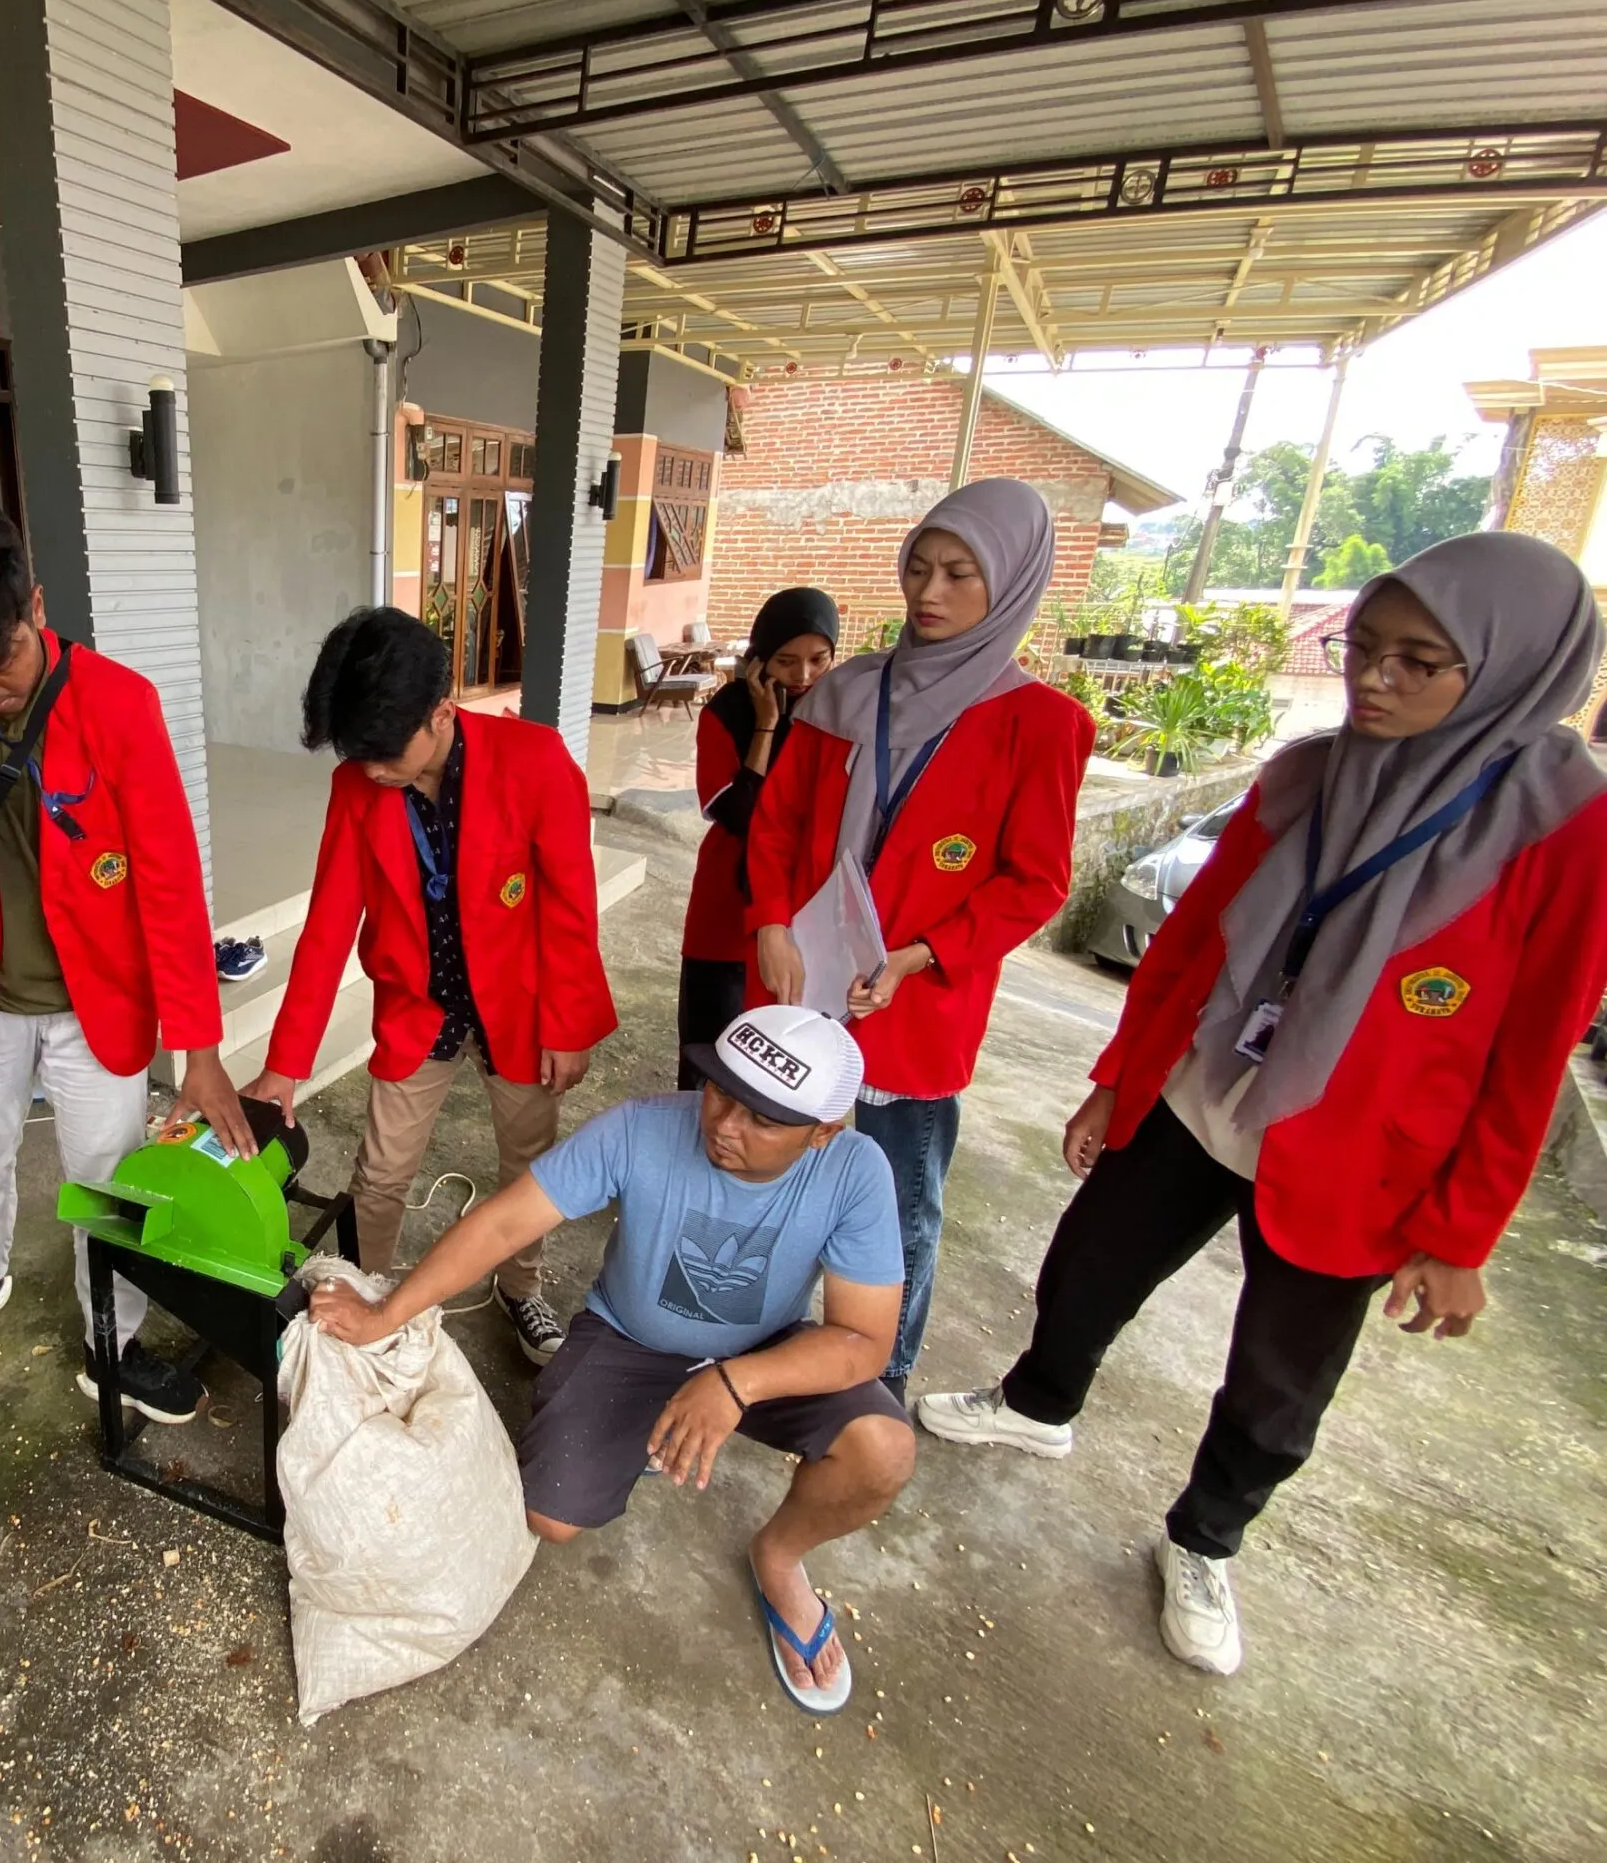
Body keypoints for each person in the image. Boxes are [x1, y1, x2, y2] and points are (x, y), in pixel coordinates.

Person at [918, 535, 1607, 1677]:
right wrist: (1113, 1081)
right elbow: (1190, 945)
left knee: (1281, 1376)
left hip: (1362, 1149)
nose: (1372, 682)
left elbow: (1532, 1053)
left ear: (1501, 671)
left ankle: (1206, 1538)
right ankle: (1039, 1402)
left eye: (1415, 662)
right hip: (1206, 1093)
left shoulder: (1561, 825)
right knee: (1089, 1263)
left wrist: (1458, 1235)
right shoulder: (1305, 773)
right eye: (1363, 651)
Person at [310, 1004, 911, 1714]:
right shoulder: (642, 1125)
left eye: (764, 1119)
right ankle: (658, 1421)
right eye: (721, 1092)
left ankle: (778, 1559)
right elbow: (508, 1220)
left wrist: (734, 1381)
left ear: (822, 1133)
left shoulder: (854, 1171)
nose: (724, 1125)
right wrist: (386, 1313)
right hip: (630, 1337)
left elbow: (864, 1341)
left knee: (883, 1450)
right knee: (550, 1517)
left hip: (766, 1350)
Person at [0, 493, 253, 1420]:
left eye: (2, 665)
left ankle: (110, 1340)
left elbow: (168, 884)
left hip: (95, 1002)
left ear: (34, 605)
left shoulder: (118, 702)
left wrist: (199, 1051)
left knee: (107, 1180)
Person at [747, 479, 1092, 1390]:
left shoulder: (1041, 726)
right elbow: (777, 826)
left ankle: (874, 1380)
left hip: (915, 1000)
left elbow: (1036, 881)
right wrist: (773, 923)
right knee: (771, 1164)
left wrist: (923, 955)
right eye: (919, 569)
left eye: (959, 575)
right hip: (804, 978)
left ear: (1012, 584)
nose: (928, 595)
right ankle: (765, 1343)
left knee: (897, 1207)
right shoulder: (846, 693)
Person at [246, 607, 617, 1364]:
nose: (372, 769)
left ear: (443, 711)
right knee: (379, 1173)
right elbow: (325, 931)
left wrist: (569, 1025)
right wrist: (284, 1065)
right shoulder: (357, 787)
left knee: (527, 1165)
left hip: (521, 1010)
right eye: (358, 753)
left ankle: (522, 1288)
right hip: (419, 1011)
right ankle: (367, 1291)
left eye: (385, 751)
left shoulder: (536, 761)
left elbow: (572, 908)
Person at [680, 587, 839, 1089]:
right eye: (787, 661)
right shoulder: (725, 714)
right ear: (759, 658)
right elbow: (739, 812)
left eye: (819, 660)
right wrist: (767, 725)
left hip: (805, 898)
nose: (804, 676)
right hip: (727, 903)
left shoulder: (841, 714)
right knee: (711, 1046)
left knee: (782, 1051)